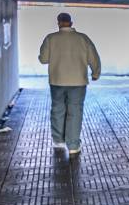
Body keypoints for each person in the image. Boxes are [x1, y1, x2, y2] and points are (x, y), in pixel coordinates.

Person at [38, 12, 100, 155]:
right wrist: (95, 73)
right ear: (71, 23)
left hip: (57, 81)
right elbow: (94, 57)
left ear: (58, 22)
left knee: (58, 109)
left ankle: (58, 141)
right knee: (75, 112)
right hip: (78, 82)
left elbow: (43, 59)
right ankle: (73, 145)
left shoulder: (51, 38)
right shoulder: (83, 38)